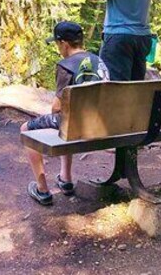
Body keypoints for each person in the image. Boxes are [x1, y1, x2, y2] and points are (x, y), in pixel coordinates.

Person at [21, 21, 106, 205]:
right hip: (103, 123)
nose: (58, 48)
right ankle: (65, 179)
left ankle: (42, 189)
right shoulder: (99, 61)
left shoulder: (66, 65)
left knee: (26, 128)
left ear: (64, 43)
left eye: (57, 44)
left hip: (76, 124)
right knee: (66, 122)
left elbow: (56, 108)